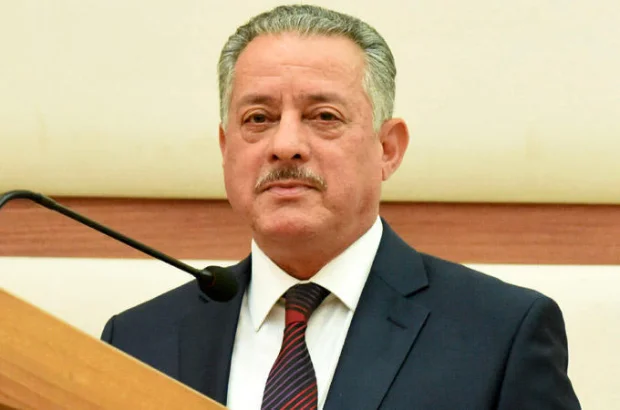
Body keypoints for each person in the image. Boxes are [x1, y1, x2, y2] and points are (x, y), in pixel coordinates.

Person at [102, 5, 581, 409]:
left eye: (324, 116)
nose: (285, 145)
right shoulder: (137, 342)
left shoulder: (499, 334)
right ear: (226, 148)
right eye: (259, 118)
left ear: (387, 149)